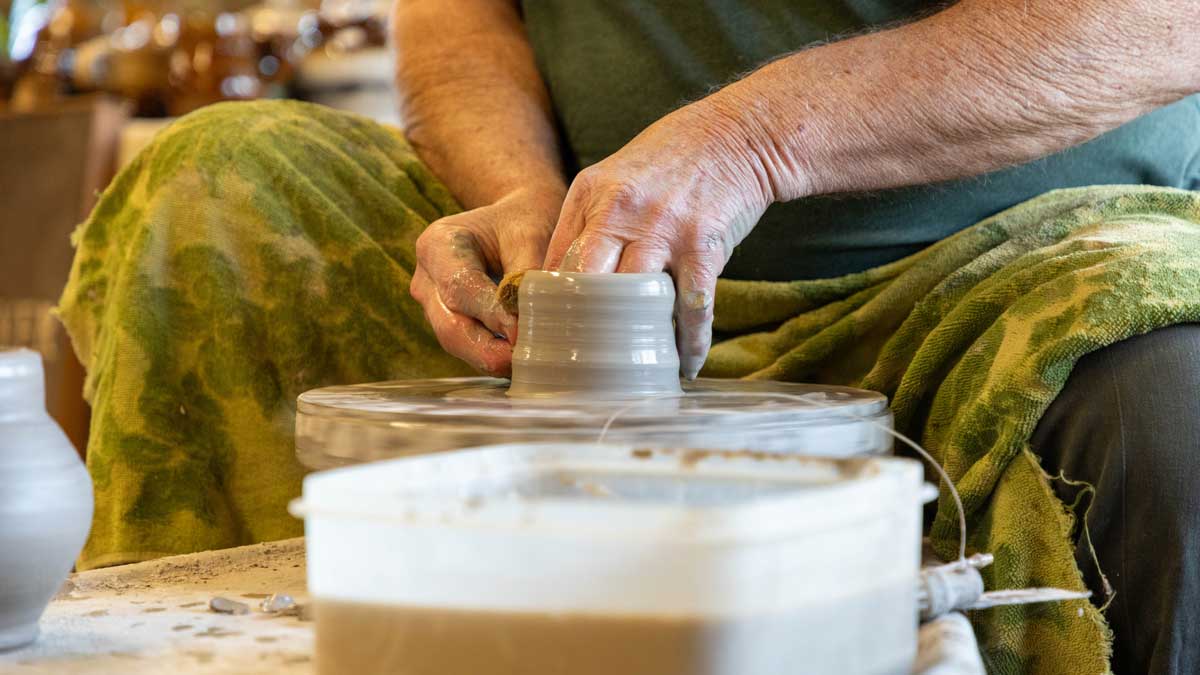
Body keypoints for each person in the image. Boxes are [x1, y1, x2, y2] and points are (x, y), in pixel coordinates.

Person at [56, 1, 1200, 673]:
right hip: (580, 241)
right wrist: (522, 201)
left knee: (1171, 385)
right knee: (217, 185)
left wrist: (753, 143)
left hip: (1013, 259)